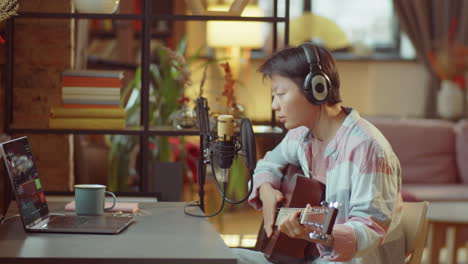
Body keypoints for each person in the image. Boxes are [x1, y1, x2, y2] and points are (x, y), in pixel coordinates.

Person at [233, 43, 404, 264]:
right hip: (307, 257)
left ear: (316, 88)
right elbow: (267, 165)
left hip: (351, 260)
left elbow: (369, 229)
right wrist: (266, 190)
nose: (274, 105)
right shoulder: (301, 134)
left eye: (280, 94)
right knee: (222, 258)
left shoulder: (367, 148)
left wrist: (315, 234)